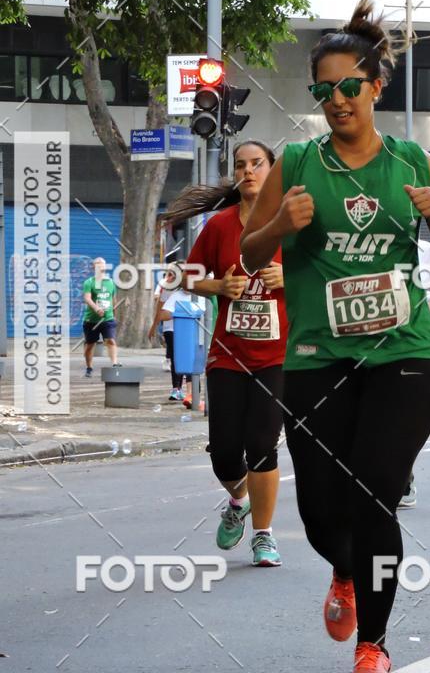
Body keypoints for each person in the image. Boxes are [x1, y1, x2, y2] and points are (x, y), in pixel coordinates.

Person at [239, 0, 430, 673]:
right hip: (317, 356)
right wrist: (280, 224)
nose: (337, 100)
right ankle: (342, 570)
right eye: (324, 91)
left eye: (349, 87)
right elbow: (250, 257)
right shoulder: (295, 162)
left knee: (375, 490)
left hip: (403, 354)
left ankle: (374, 643)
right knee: (319, 507)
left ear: (375, 86)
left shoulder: (410, 161)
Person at [159, 141, 288, 568]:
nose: (248, 171)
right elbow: (182, 275)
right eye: (240, 165)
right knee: (225, 452)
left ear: (272, 171)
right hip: (228, 355)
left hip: (277, 355)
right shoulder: (219, 226)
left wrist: (288, 276)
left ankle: (264, 537)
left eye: (257, 164)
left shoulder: (292, 223)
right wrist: (217, 286)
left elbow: (326, 274)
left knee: (263, 446)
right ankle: (239, 499)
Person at [398, 238, 430, 509]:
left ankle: (404, 474)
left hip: (415, 338)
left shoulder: (427, 249)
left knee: (407, 415)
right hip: (372, 341)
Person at [148, 262, 192, 402]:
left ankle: (190, 390)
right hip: (170, 328)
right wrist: (153, 327)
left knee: (188, 358)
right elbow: (159, 310)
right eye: (169, 273)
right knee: (175, 358)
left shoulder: (191, 290)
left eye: (174, 273)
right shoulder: (166, 288)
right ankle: (177, 389)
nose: (170, 276)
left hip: (187, 328)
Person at [82, 257, 120, 377]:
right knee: (90, 345)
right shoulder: (89, 282)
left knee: (111, 340)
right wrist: (96, 308)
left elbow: (113, 300)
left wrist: (114, 315)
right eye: (98, 264)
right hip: (91, 320)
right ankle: (89, 367)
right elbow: (87, 298)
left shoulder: (111, 283)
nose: (100, 266)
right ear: (94, 267)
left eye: (102, 264)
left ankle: (114, 364)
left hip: (107, 319)